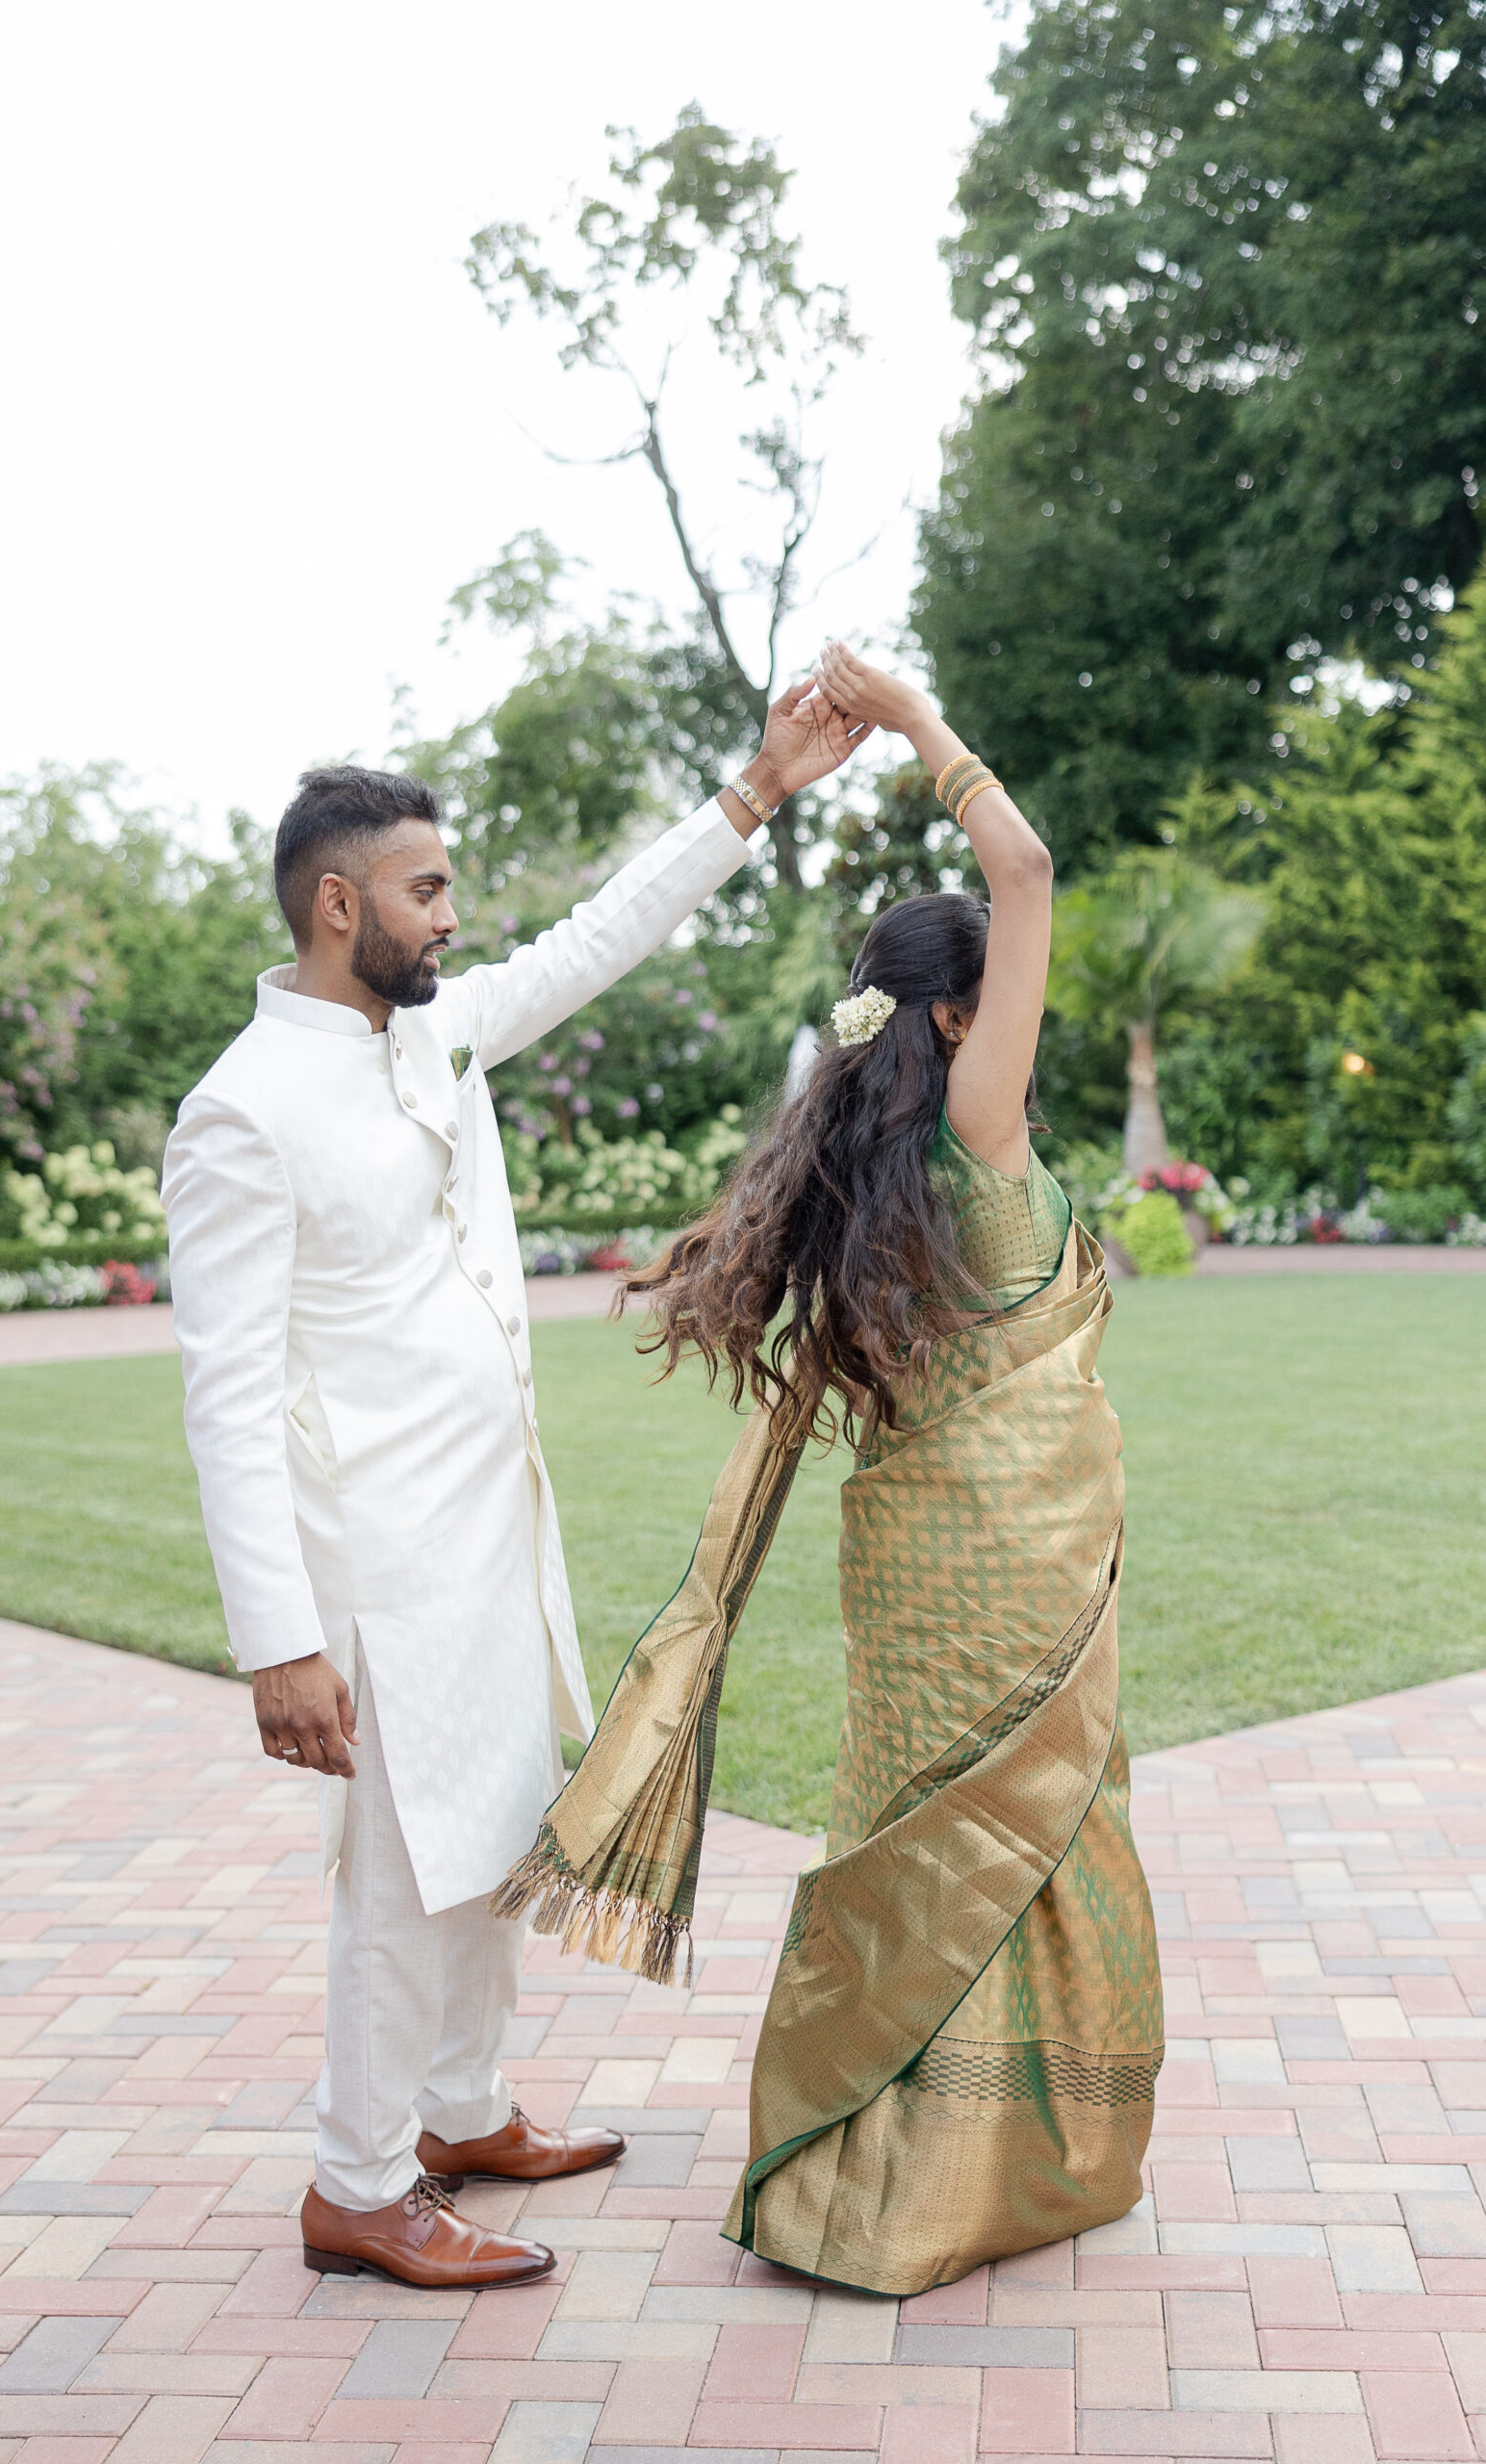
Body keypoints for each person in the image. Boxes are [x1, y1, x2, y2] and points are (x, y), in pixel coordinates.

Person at [159, 684, 869, 2292]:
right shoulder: (241, 1114)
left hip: (492, 1539)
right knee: (402, 1880)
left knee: (492, 1833)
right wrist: (281, 1642)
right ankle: (357, 2186)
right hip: (374, 1571)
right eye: (424, 890)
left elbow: (597, 939)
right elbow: (225, 1403)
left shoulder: (435, 1030)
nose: (451, 915)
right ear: (337, 904)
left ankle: (465, 2113)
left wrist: (759, 788)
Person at [497, 641, 1164, 2297]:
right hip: (1015, 1568)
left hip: (925, 1564)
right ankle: (980, 2176)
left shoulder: (884, 1162)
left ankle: (869, 2178)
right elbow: (1027, 868)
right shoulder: (979, 1130)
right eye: (1004, 993)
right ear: (957, 1012)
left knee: (917, 1831)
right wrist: (918, 718)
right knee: (1026, 1836)